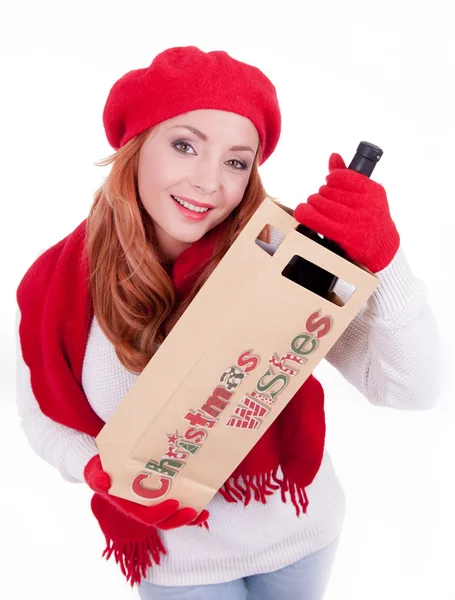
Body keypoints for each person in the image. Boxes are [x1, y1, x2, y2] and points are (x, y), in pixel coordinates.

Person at [15, 46, 440, 600]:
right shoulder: (58, 281)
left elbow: (412, 390)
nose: (209, 182)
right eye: (185, 145)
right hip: (175, 563)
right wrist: (96, 470)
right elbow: (37, 417)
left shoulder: (287, 254)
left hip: (299, 537)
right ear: (135, 146)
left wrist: (386, 261)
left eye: (236, 161)